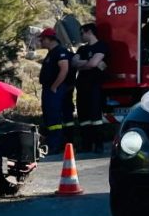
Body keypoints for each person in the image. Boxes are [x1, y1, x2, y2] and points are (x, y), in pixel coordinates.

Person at [72, 23, 109, 153]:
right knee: (83, 117)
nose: (81, 36)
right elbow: (74, 62)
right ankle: (86, 145)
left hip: (95, 86)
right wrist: (89, 63)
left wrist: (86, 63)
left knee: (95, 116)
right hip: (81, 86)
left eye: (82, 33)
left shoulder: (101, 46)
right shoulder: (81, 49)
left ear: (89, 32)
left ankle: (99, 145)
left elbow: (93, 63)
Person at [38, 28, 70, 154]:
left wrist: (55, 86)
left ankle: (55, 145)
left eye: (42, 39)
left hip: (54, 90)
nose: (41, 42)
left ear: (49, 39)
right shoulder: (51, 53)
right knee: (49, 116)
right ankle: (53, 143)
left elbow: (64, 70)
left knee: (54, 117)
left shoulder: (60, 52)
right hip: (48, 89)